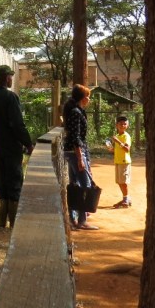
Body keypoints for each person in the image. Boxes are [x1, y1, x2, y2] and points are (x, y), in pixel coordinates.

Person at [0, 63, 34, 228]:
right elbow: (17, 125)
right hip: (12, 145)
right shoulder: (11, 97)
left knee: (1, 176)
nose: (12, 79)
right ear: (6, 78)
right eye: (11, 76)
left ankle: (2, 220)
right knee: (15, 177)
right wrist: (28, 143)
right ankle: (14, 222)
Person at [63, 84, 97, 230]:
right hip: (76, 152)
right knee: (85, 185)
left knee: (74, 184)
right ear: (83, 98)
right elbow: (76, 137)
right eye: (87, 96)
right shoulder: (76, 112)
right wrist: (80, 158)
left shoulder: (75, 110)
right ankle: (81, 220)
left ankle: (73, 219)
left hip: (72, 152)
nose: (89, 99)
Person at [110, 115, 133, 208]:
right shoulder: (118, 136)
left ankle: (126, 198)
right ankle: (126, 198)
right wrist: (112, 149)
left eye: (125, 124)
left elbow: (127, 149)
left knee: (123, 182)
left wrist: (118, 141)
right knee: (119, 181)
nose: (123, 125)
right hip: (118, 161)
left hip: (124, 162)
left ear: (127, 125)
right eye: (120, 124)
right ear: (117, 125)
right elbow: (117, 150)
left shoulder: (126, 136)